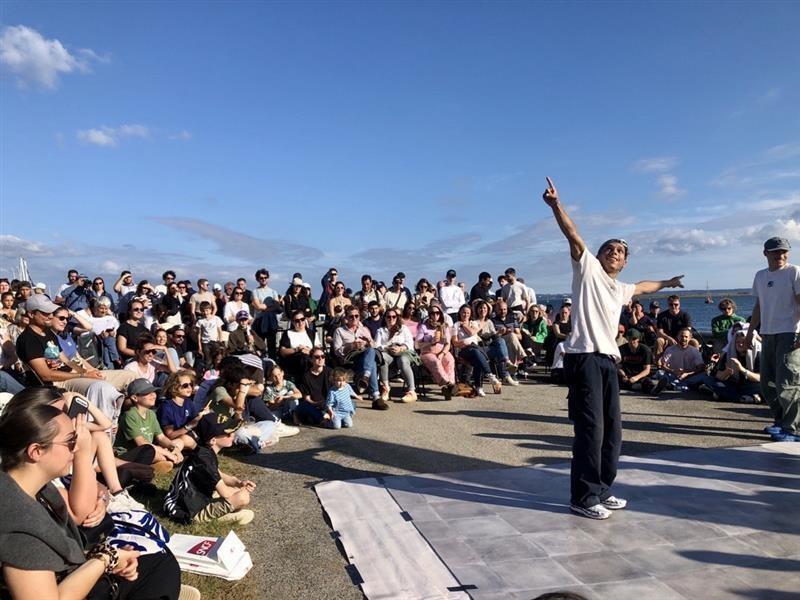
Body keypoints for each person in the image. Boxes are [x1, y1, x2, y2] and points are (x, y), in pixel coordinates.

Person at [543, 176, 684, 520]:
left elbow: (643, 288)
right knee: (590, 430)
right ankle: (583, 496)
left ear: (624, 263)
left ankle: (602, 490)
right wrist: (556, 205)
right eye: (610, 248)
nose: (615, 253)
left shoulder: (620, 288)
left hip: (608, 361)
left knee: (612, 432)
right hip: (584, 358)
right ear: (600, 254)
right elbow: (574, 236)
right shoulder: (587, 269)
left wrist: (666, 282)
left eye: (621, 252)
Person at [0, 400, 185, 600]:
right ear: (36, 452)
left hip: (66, 575)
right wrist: (105, 559)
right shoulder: (20, 526)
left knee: (157, 563)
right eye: (71, 441)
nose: (77, 447)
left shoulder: (31, 489)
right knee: (159, 567)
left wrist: (106, 556)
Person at [745, 236, 800, 441]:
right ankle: (780, 421)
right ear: (765, 253)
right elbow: (759, 306)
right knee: (767, 383)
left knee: (788, 382)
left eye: (784, 251)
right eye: (776, 251)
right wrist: (751, 332)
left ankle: (793, 428)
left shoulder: (794, 272)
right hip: (767, 332)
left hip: (789, 331)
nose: (780, 255)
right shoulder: (760, 276)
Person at [163, 413, 256, 525]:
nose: (232, 435)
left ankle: (224, 509)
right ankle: (214, 519)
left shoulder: (204, 452)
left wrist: (238, 483)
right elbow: (225, 493)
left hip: (183, 502)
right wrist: (242, 491)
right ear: (213, 440)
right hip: (188, 512)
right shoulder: (205, 460)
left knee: (237, 493)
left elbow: (217, 473)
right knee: (243, 499)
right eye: (228, 434)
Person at [116, 378, 184, 473]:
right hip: (131, 454)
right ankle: (153, 466)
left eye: (154, 392)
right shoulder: (129, 415)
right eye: (147, 392)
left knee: (179, 442)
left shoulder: (151, 414)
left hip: (149, 449)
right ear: (135, 398)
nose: (153, 395)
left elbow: (161, 438)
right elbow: (141, 443)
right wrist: (166, 453)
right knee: (155, 453)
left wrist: (173, 448)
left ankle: (158, 463)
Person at [332, 306, 386, 409]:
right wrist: (351, 345)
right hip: (349, 358)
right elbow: (337, 351)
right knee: (372, 361)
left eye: (356, 316)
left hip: (364, 357)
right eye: (351, 316)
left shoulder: (364, 329)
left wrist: (370, 342)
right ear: (346, 318)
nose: (354, 319)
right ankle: (375, 396)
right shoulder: (339, 331)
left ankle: (370, 385)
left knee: (371, 352)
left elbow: (374, 346)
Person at [451, 303, 502, 397]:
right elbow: (454, 342)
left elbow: (472, 332)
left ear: (470, 314)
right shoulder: (456, 325)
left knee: (476, 356)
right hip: (463, 350)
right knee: (477, 353)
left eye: (467, 313)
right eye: (463, 313)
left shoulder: (473, 323)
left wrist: (464, 325)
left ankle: (479, 387)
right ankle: (490, 377)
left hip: (475, 348)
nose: (465, 315)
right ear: (460, 313)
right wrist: (461, 343)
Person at [374, 308, 418, 403]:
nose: (391, 319)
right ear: (385, 318)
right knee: (382, 358)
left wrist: (401, 348)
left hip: (404, 353)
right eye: (388, 317)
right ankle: (386, 387)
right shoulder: (381, 331)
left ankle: (411, 391)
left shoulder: (403, 328)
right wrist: (387, 348)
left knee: (402, 360)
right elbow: (376, 346)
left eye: (394, 317)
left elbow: (410, 343)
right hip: (389, 353)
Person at [158, 370, 207, 450]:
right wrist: (189, 426)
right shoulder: (166, 407)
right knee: (185, 439)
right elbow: (170, 435)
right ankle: (201, 452)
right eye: (185, 385)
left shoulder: (188, 402)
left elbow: (194, 421)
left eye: (191, 384)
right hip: (173, 441)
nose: (190, 387)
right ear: (174, 387)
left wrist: (201, 414)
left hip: (188, 437)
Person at [416, 305, 456, 399]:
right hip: (427, 352)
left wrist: (442, 353)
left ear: (440, 314)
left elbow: (447, 344)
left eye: (437, 313)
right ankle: (449, 384)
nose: (435, 315)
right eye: (433, 313)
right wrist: (430, 342)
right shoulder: (423, 327)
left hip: (441, 351)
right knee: (435, 362)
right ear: (429, 315)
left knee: (450, 359)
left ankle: (448, 388)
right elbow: (417, 345)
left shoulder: (443, 327)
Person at [250, 268, 282, 360]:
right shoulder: (255, 291)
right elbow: (258, 307)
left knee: (272, 347)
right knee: (260, 346)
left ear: (268, 278)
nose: (263, 279)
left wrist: (265, 306)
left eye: (265, 277)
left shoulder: (273, 292)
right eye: (261, 278)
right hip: (260, 322)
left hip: (271, 322)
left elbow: (276, 307)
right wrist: (270, 303)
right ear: (257, 279)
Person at [296, 349, 332, 425]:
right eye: (317, 357)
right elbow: (307, 398)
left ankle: (320, 418)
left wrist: (329, 405)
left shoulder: (330, 372)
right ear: (311, 359)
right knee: (303, 406)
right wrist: (315, 403)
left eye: (323, 356)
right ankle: (321, 418)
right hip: (313, 404)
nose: (321, 359)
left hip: (329, 403)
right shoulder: (306, 376)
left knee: (351, 404)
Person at [278, 309, 314, 382]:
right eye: (297, 321)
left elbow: (318, 349)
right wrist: (297, 349)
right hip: (294, 360)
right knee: (304, 358)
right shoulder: (288, 333)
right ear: (293, 322)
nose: (300, 322)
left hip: (311, 358)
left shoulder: (312, 333)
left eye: (302, 319)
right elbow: (282, 351)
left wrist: (308, 351)